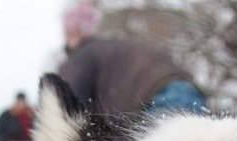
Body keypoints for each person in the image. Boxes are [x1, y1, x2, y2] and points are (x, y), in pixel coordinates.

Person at [58, 2, 206, 114]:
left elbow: (70, 106)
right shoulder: (114, 46)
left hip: (159, 98)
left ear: (72, 30)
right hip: (189, 89)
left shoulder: (84, 53)